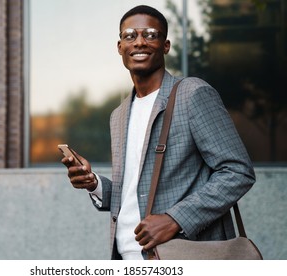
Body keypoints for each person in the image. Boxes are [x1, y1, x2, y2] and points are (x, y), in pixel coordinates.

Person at [61, 5, 255, 260]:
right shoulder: (118, 116)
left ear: (166, 45)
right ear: (120, 47)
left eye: (150, 34)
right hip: (127, 256)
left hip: (182, 255)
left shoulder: (192, 94)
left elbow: (237, 172)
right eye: (130, 35)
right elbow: (133, 193)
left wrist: (175, 219)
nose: (139, 42)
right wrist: (94, 183)